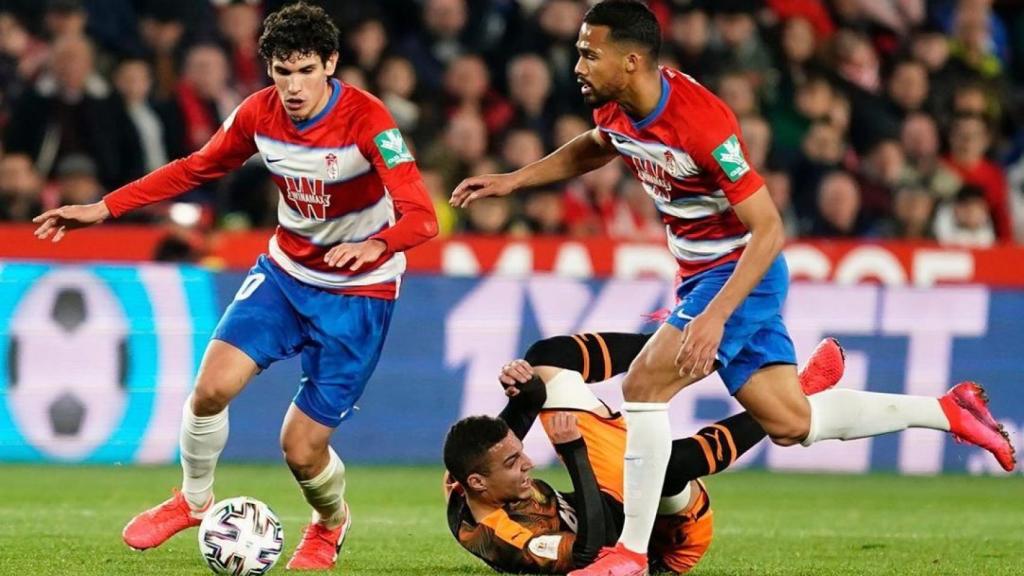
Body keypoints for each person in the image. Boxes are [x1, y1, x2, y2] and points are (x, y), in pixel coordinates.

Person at [449, 2, 1015, 574]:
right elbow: (597, 146)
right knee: (793, 423)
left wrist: (715, 315)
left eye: (589, 53)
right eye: (579, 52)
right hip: (700, 274)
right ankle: (949, 411)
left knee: (644, 385)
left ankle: (629, 555)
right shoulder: (620, 108)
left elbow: (769, 228)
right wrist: (514, 180)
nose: (578, 65)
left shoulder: (700, 122)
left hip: (740, 273)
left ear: (632, 59)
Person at [32, 3, 438, 570]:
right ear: (267, 69)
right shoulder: (258, 113)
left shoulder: (370, 121)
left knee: (300, 449)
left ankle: (329, 523)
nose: (292, 87)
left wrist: (379, 244)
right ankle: (194, 500)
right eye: (280, 71)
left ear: (331, 64)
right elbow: (193, 168)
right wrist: (104, 207)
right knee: (210, 390)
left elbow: (423, 217)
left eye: (304, 71)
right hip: (285, 274)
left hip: (359, 293)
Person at [444, 333, 845, 574]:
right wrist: (576, 454)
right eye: (514, 463)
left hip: (604, 493)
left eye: (519, 454)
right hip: (659, 540)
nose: (528, 461)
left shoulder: (469, 479)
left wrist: (524, 389)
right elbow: (588, 555)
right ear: (479, 482)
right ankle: (795, 397)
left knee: (545, 357)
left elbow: (515, 421)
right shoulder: (501, 537)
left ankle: (679, 342)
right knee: (662, 466)